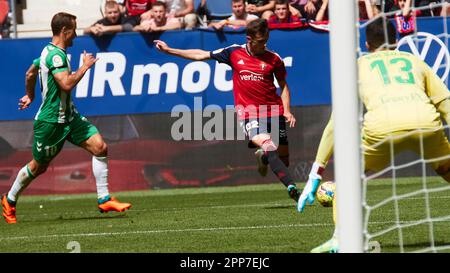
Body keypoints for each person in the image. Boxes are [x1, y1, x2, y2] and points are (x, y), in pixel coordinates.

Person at [298, 18, 450, 252]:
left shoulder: (357, 66)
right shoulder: (413, 60)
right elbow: (444, 102)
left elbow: (336, 122)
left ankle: (341, 238)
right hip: (426, 124)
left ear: (367, 44)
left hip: (382, 128)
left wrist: (315, 174)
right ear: (397, 41)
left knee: (348, 177)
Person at [1, 12, 132, 224]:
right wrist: (86, 66)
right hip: (52, 122)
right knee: (38, 166)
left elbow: (30, 73)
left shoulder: (48, 51)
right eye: (73, 30)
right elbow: (66, 84)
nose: (75, 35)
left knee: (100, 147)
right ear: (65, 31)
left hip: (70, 117)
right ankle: (10, 199)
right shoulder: (55, 56)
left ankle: (104, 199)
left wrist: (30, 94)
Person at [153, 18, 301, 203]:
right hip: (248, 113)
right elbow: (201, 54)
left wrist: (286, 111)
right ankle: (293, 188)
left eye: (266, 40)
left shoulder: (274, 59)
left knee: (282, 160)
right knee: (269, 145)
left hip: (273, 110)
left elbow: (283, 86)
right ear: (249, 38)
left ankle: (263, 157)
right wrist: (169, 50)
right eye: (260, 41)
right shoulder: (233, 52)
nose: (264, 45)